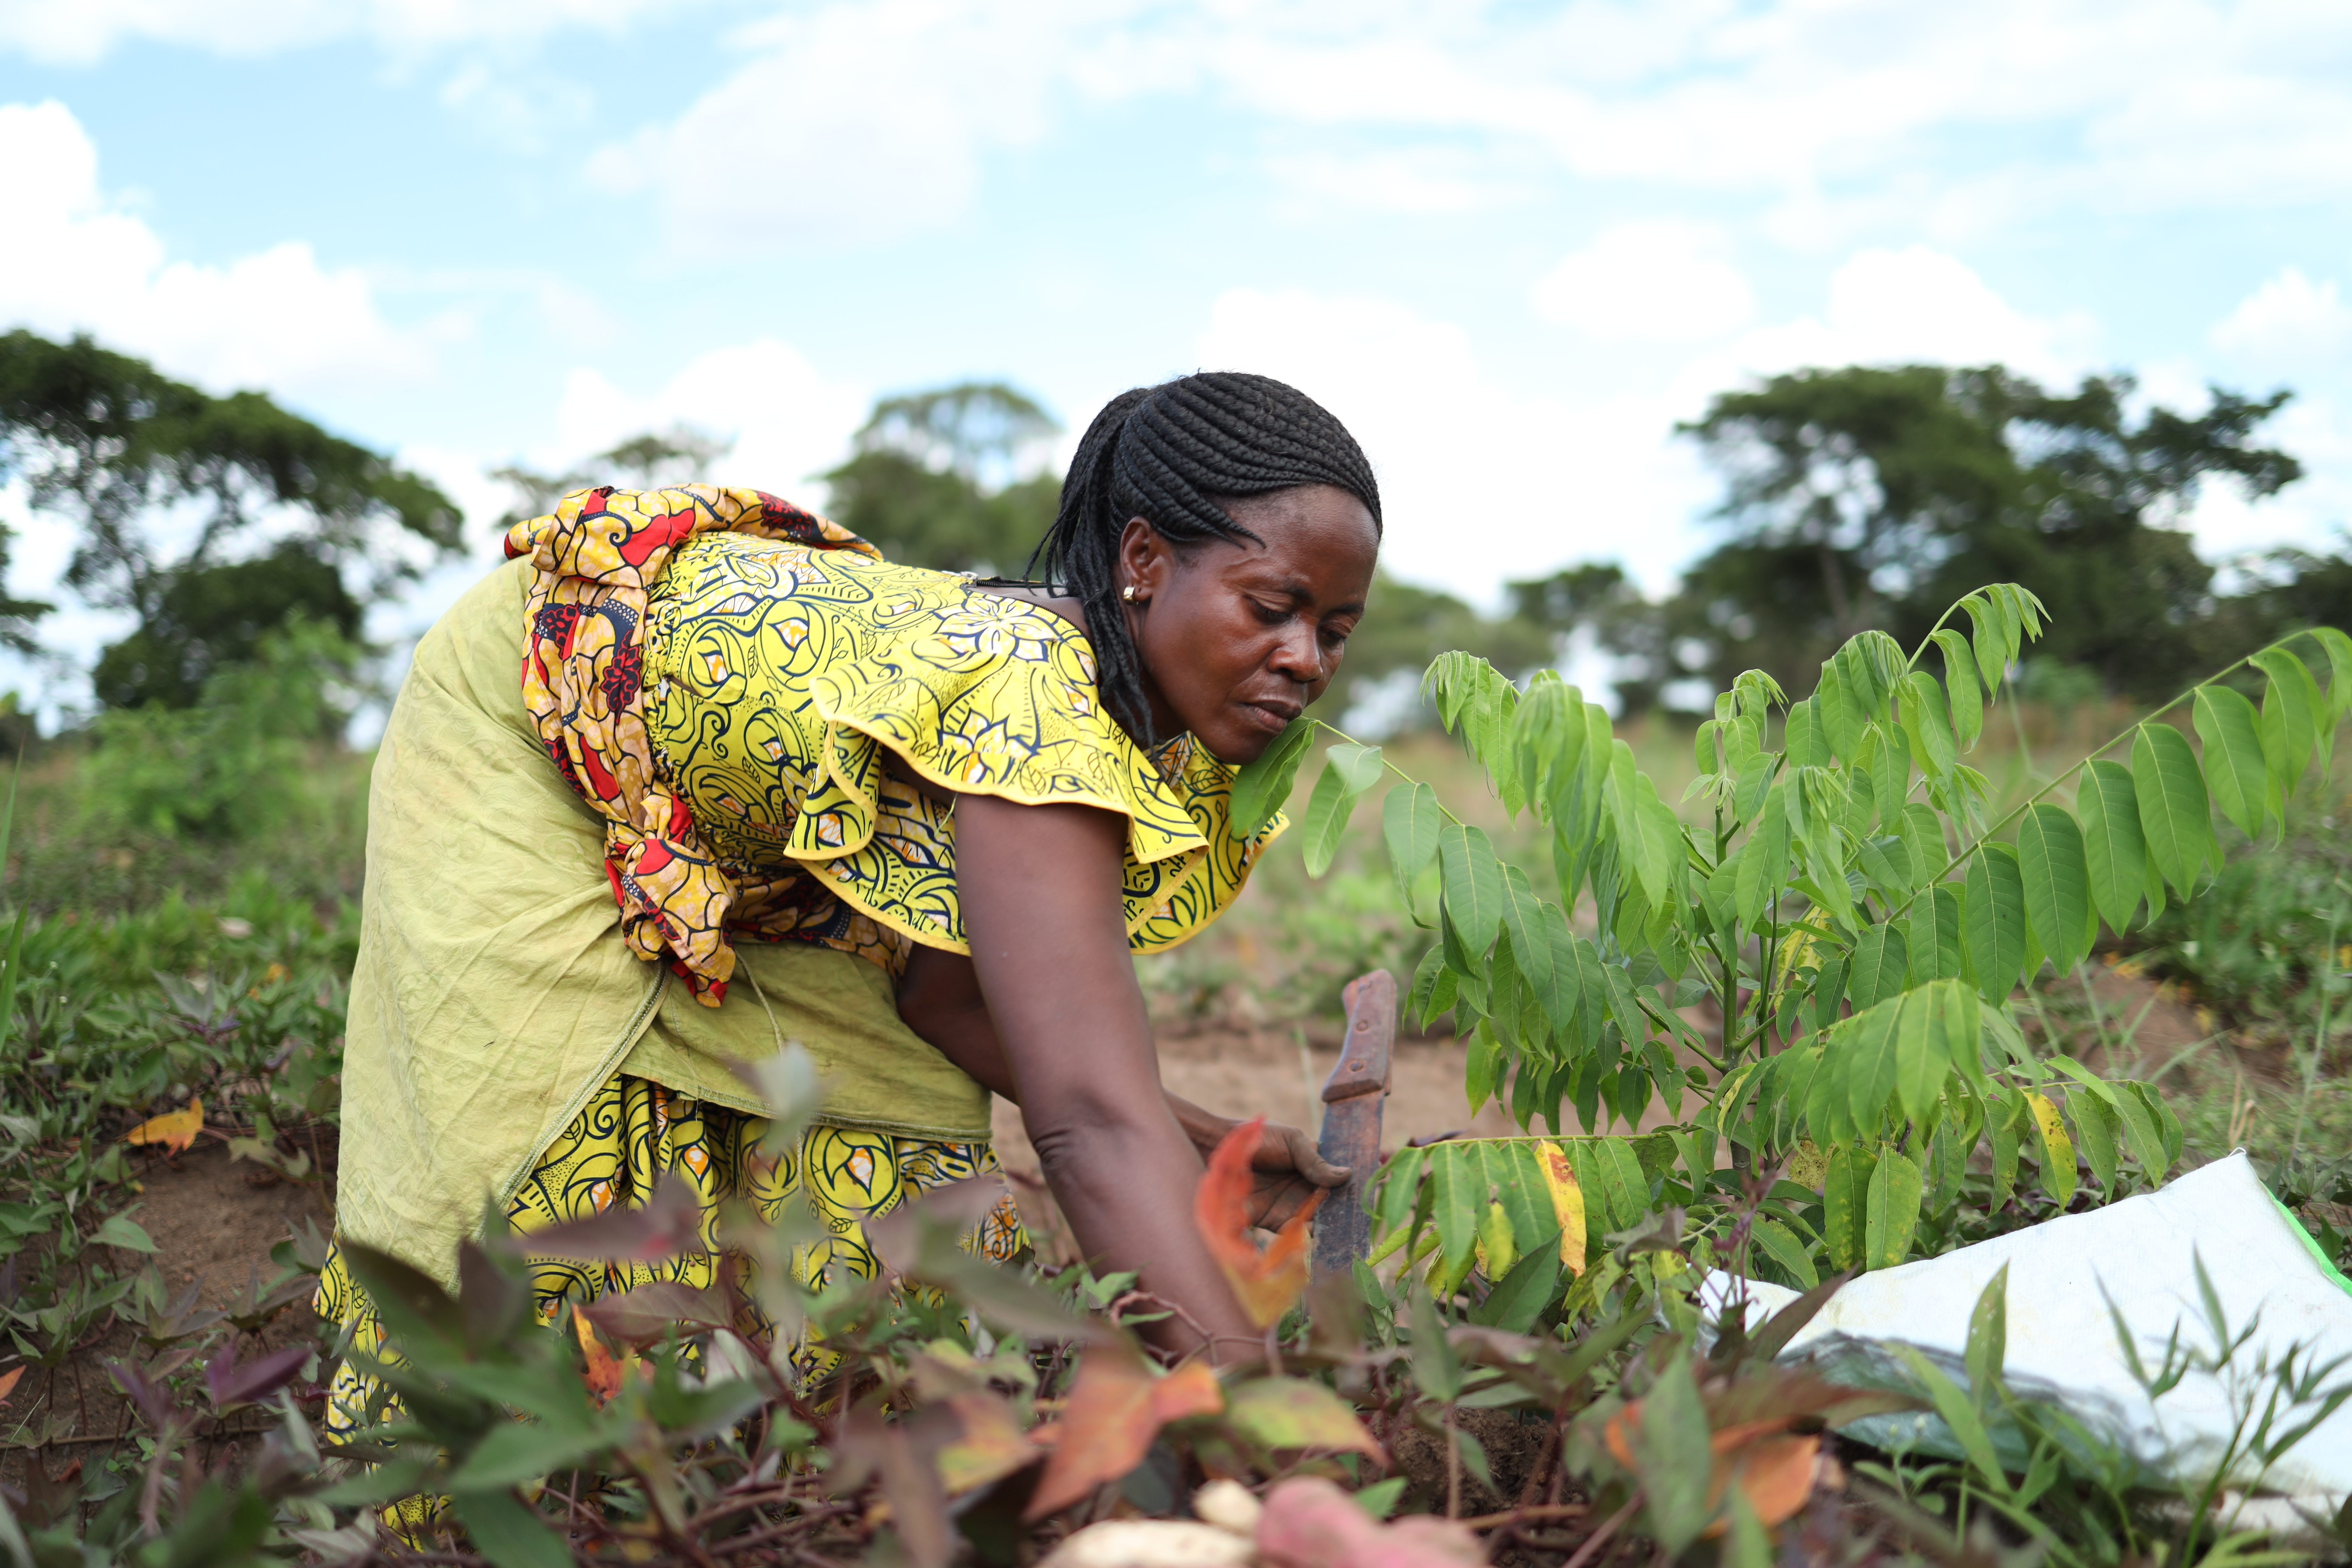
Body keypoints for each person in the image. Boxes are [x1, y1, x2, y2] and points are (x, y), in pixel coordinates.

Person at [316, 371, 1384, 1419]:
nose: (1305, 660)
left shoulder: (1129, 714)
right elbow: (1088, 1126)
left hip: (740, 812)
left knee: (899, 1176)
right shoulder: (1033, 705)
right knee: (541, 1167)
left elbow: (949, 1002)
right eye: (1273, 608)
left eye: (1334, 630)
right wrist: (1268, 1425)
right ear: (1145, 559)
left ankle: (798, 1457)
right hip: (543, 713)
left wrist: (1211, 1153)